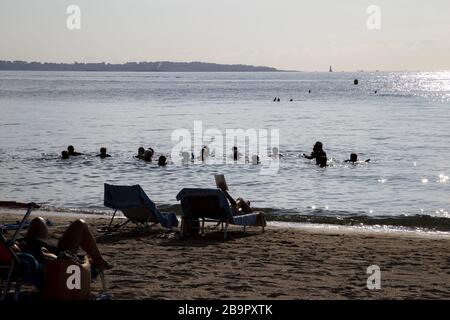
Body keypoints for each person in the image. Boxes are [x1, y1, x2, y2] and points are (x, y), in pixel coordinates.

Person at [14, 217, 112, 270]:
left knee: (38, 221)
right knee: (80, 224)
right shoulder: (17, 251)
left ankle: (99, 260)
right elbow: (19, 253)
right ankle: (99, 261)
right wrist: (46, 254)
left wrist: (15, 243)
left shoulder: (10, 244)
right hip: (60, 255)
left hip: (34, 243)